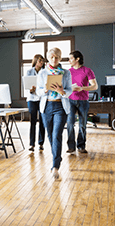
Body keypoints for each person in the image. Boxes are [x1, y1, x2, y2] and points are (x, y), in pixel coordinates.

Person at [37, 48, 72, 179]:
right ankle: (56, 157)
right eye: (52, 57)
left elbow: (69, 91)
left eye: (57, 57)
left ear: (60, 58)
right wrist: (45, 89)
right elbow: (38, 92)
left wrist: (62, 91)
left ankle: (55, 166)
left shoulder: (66, 73)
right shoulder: (42, 73)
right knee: (50, 136)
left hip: (60, 106)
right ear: (48, 58)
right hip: (46, 107)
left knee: (57, 134)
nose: (54, 59)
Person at [66, 51, 98, 154]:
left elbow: (95, 86)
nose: (69, 60)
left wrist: (82, 88)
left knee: (82, 124)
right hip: (70, 101)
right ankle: (71, 146)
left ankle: (81, 146)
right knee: (70, 124)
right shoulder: (68, 72)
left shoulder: (87, 71)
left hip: (83, 101)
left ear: (77, 59)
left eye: (71, 58)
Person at [25, 54, 46, 152]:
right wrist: (30, 89)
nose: (41, 63)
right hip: (32, 98)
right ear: (35, 61)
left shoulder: (45, 72)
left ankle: (41, 143)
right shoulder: (29, 71)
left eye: (42, 61)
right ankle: (31, 144)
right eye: (39, 61)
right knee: (32, 121)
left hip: (42, 98)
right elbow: (26, 85)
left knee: (42, 121)